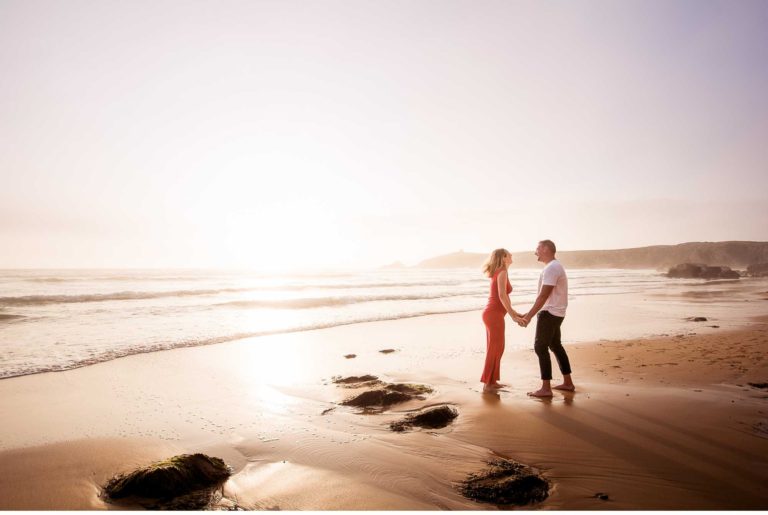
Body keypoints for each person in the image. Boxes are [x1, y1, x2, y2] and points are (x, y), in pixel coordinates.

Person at [519, 240, 575, 397]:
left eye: (537, 248)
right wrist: (529, 313)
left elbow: (544, 296)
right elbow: (544, 296)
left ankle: (546, 388)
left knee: (540, 347)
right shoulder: (554, 266)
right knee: (556, 345)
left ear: (546, 249)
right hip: (556, 312)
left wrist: (529, 316)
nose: (535, 252)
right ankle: (568, 383)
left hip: (550, 313)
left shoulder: (551, 268)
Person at [481, 248, 525, 393]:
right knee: (496, 348)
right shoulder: (502, 271)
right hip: (493, 315)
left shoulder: (500, 271)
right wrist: (512, 315)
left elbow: (502, 296)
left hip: (493, 314)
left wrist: (514, 313)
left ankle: (491, 381)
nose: (512, 255)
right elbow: (501, 295)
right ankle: (488, 383)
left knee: (496, 348)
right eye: (509, 254)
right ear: (503, 257)